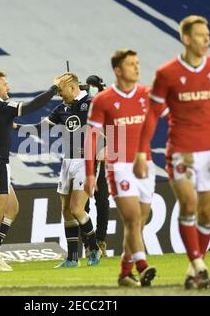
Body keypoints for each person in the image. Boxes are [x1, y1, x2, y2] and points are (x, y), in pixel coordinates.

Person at [133, 15, 210, 289]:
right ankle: (201, 266)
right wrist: (143, 152)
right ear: (186, 38)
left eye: (208, 35)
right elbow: (153, 115)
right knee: (189, 205)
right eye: (202, 35)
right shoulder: (167, 73)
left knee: (206, 213)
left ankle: (194, 270)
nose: (207, 39)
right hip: (181, 151)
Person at [0, 71, 71, 271]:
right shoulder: (0, 107)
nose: (7, 87)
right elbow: (31, 106)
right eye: (4, 84)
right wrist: (54, 88)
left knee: (12, 208)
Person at [84, 49, 157, 287]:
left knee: (140, 221)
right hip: (119, 166)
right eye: (131, 64)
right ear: (117, 70)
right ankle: (142, 266)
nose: (137, 67)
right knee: (132, 219)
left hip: (145, 163)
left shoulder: (147, 94)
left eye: (138, 63)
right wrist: (89, 174)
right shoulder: (103, 100)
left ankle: (125, 272)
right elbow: (91, 137)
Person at [14, 72, 101, 268]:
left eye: (61, 91)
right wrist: (16, 127)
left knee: (77, 209)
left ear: (72, 87)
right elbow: (39, 128)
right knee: (66, 211)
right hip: (67, 161)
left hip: (85, 160)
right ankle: (72, 258)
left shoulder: (92, 103)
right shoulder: (61, 108)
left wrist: (103, 148)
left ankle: (94, 248)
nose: (59, 95)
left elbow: (106, 125)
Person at [82, 75, 110, 258]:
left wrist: (109, 148)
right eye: (89, 87)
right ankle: (88, 243)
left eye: (95, 87)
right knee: (82, 204)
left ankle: (100, 240)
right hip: (81, 160)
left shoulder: (106, 105)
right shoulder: (81, 104)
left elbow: (116, 127)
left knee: (102, 201)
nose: (92, 90)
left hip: (99, 159)